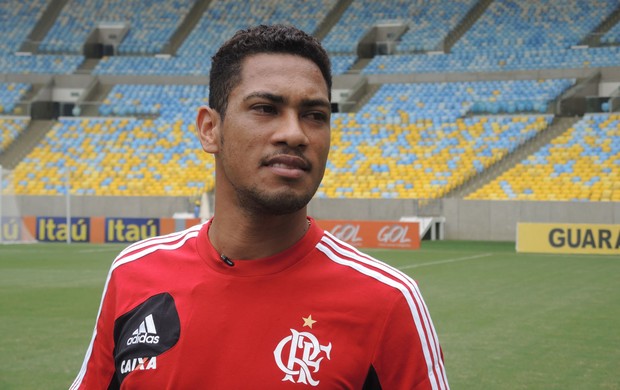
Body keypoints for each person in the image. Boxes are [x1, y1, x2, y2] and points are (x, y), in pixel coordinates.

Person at [70, 24, 449, 389]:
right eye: (266, 108)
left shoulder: (387, 301)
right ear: (209, 129)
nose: (295, 134)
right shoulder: (134, 272)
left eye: (315, 116)